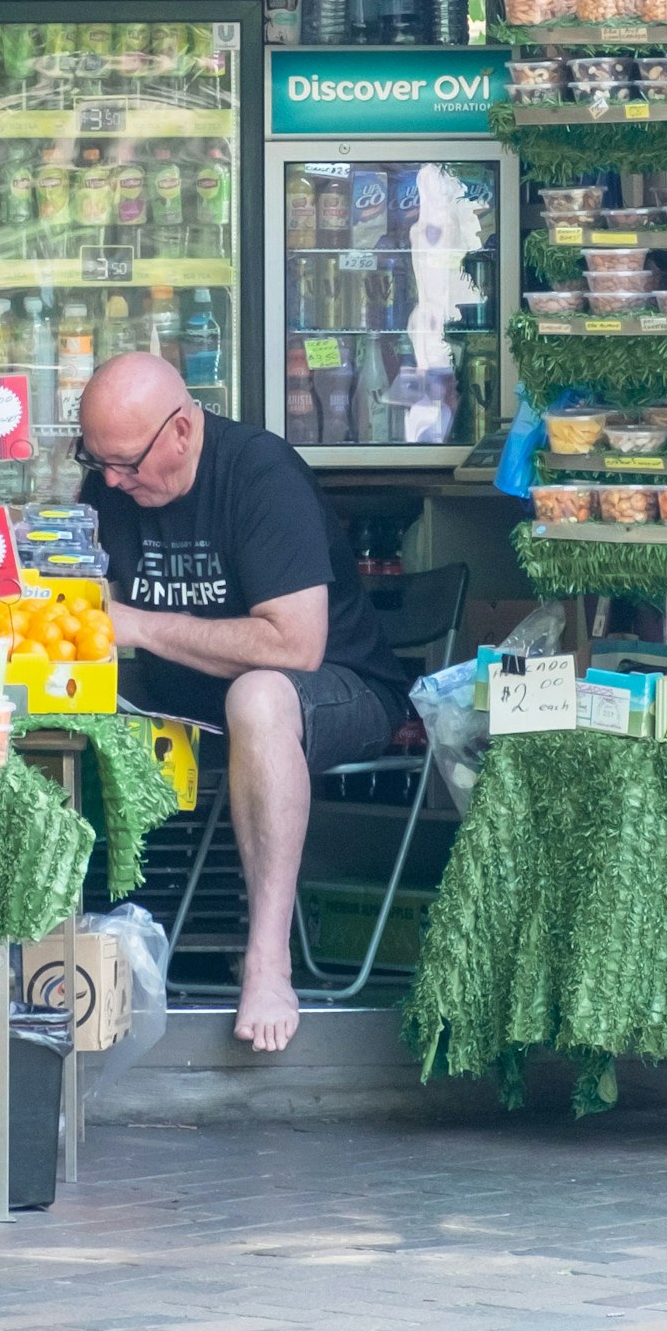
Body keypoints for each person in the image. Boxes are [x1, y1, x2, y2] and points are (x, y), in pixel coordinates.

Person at [73, 352, 410, 1052]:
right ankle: (64, 942)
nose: (111, 480)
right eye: (96, 461)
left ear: (183, 431)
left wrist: (133, 624)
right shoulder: (109, 486)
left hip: (336, 692)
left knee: (257, 696)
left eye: (127, 463)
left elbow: (296, 647)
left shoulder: (260, 474)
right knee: (56, 699)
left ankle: (266, 961)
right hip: (187, 699)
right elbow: (84, 612)